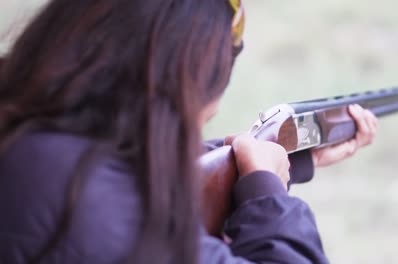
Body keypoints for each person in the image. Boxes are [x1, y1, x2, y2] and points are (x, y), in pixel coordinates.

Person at [0, 0, 377, 263]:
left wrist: (285, 163)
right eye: (199, 120)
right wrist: (266, 190)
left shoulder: (33, 139)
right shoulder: (89, 201)